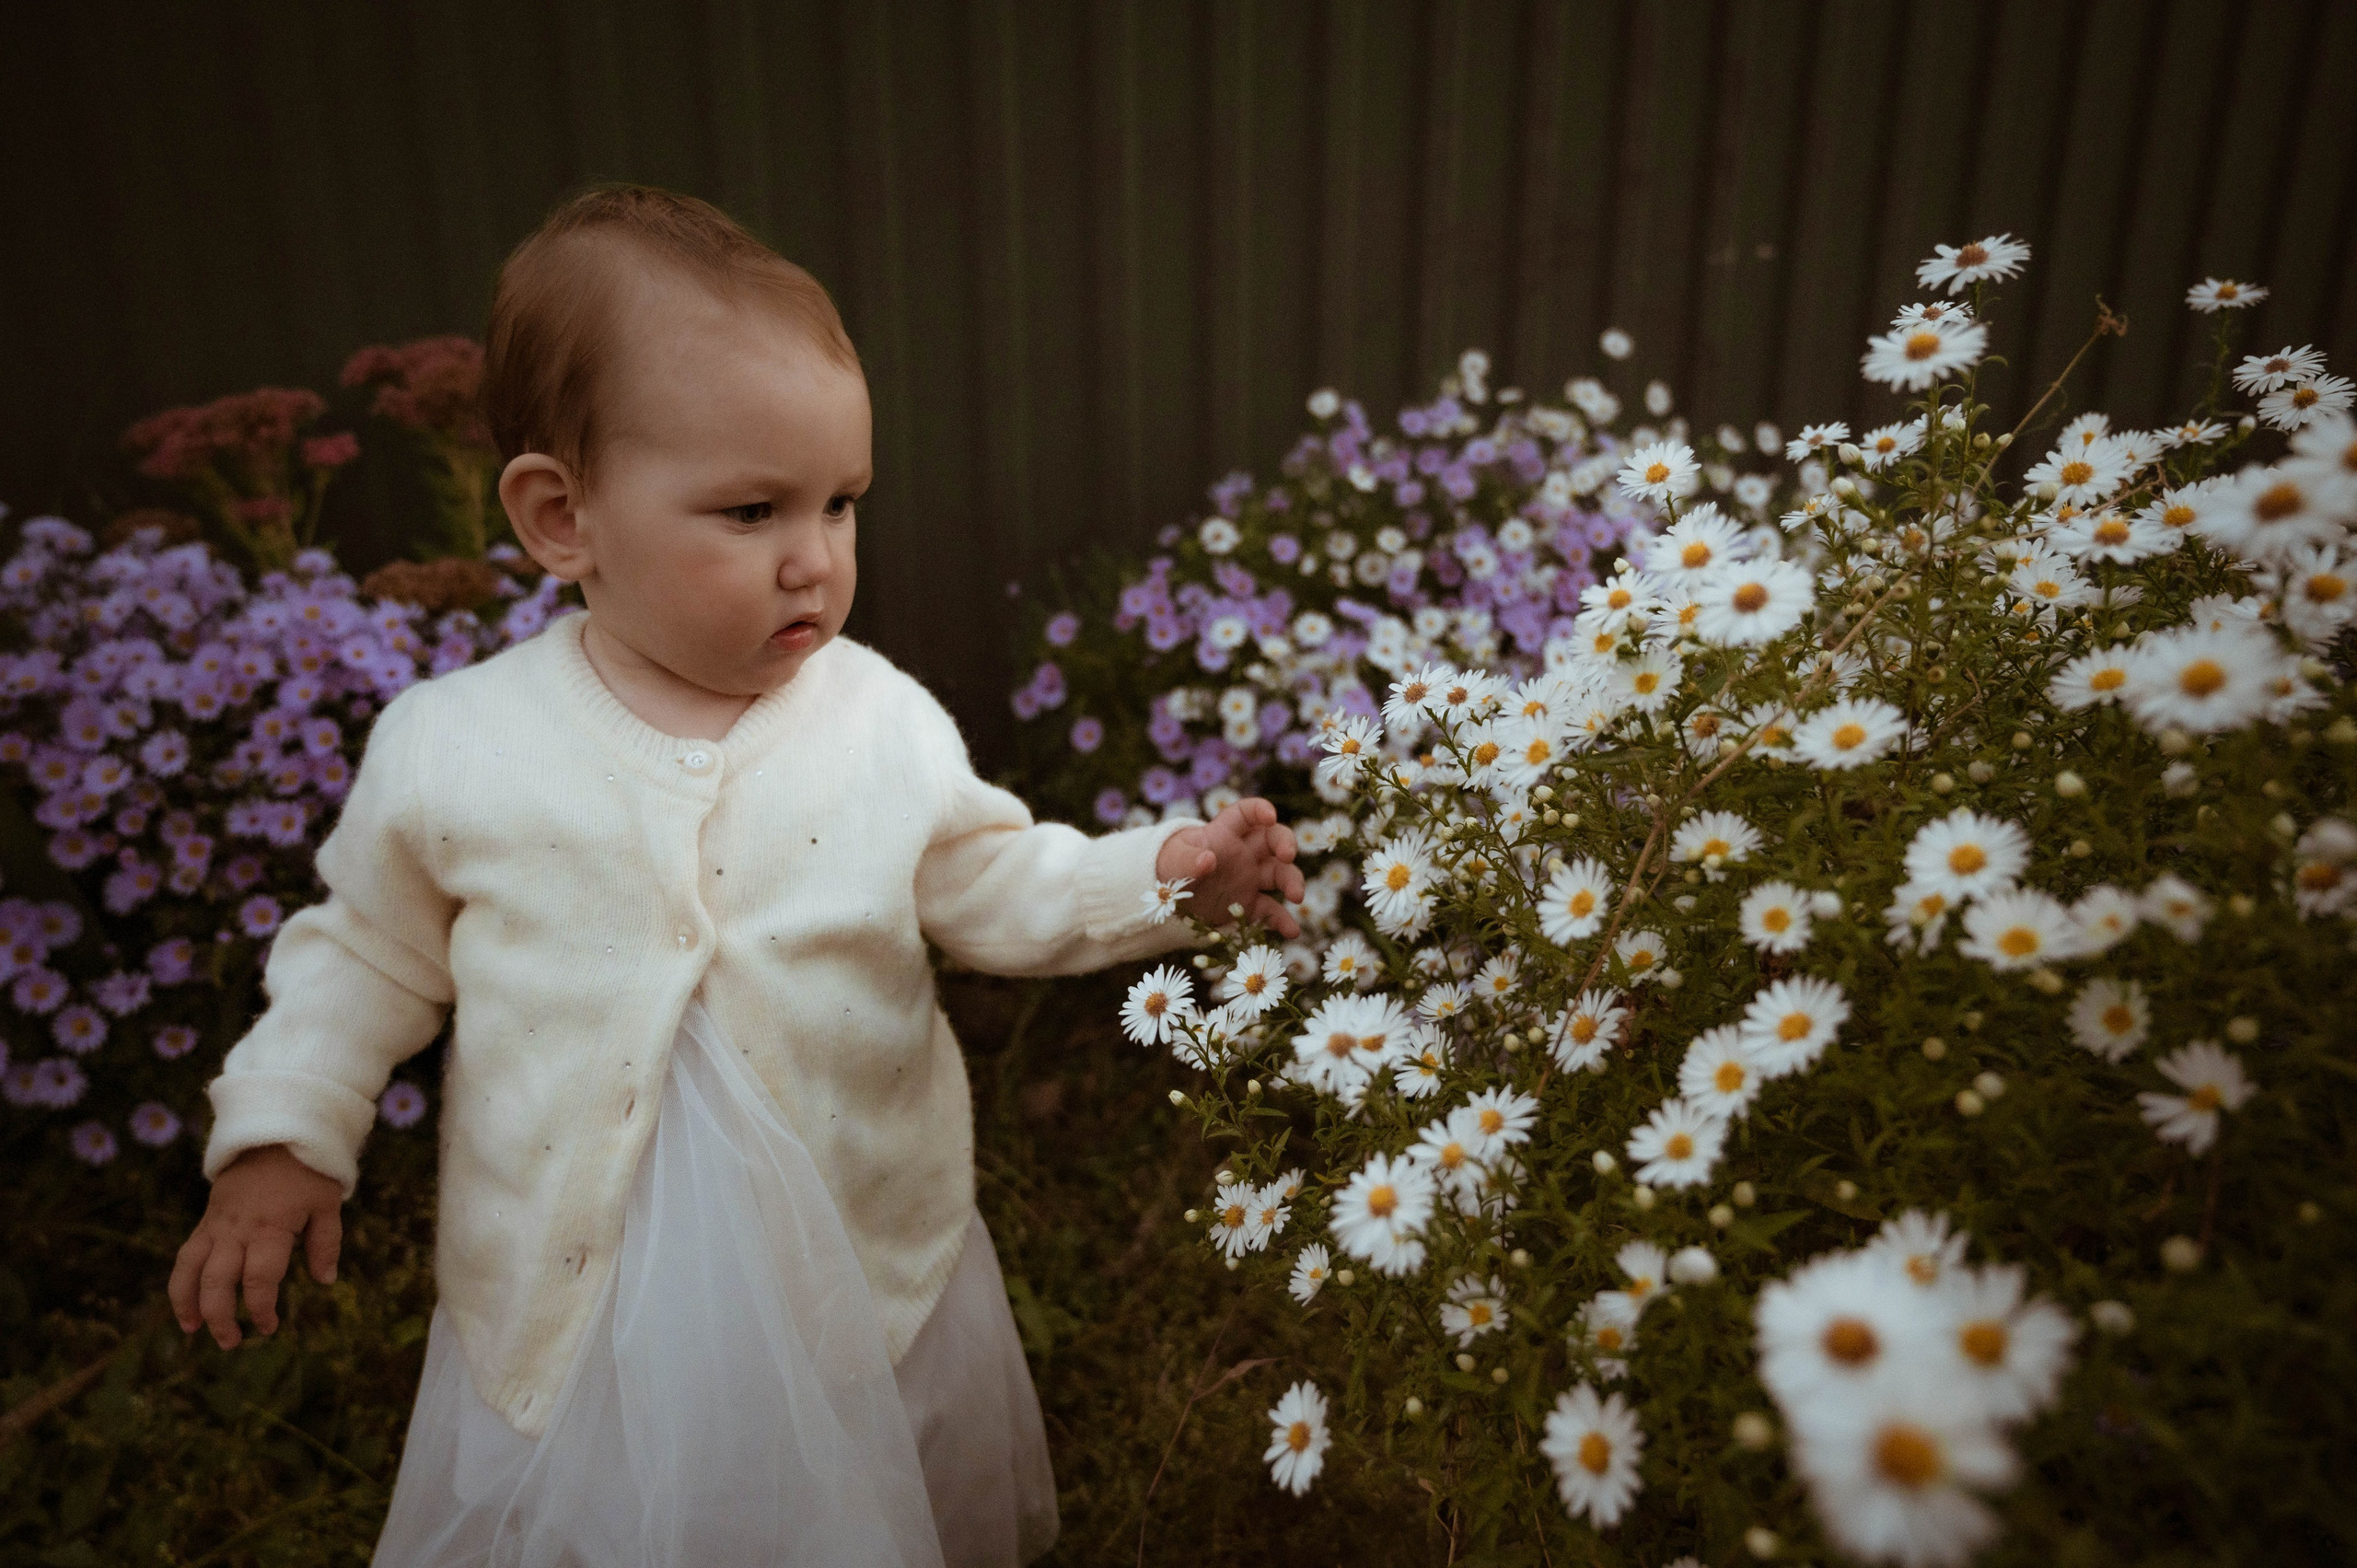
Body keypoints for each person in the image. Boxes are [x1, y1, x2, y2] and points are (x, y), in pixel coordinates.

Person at [166, 184, 1305, 1568]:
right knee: (626, 1503)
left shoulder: (876, 720)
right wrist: (288, 1132)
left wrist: (1170, 876)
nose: (814, 559)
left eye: (841, 503)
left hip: (852, 1248)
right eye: (753, 509)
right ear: (559, 516)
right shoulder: (459, 751)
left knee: (851, 1491)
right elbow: (368, 952)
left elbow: (996, 882)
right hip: (597, 1279)